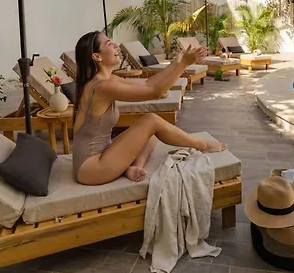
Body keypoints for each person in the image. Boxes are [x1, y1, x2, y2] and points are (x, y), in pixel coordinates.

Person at [71, 31, 227, 186]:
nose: (115, 45)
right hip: (91, 169)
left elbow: (148, 83)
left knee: (150, 137)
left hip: (102, 154)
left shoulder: (107, 79)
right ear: (97, 56)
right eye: (108, 44)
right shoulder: (102, 86)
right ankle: (203, 146)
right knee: (151, 121)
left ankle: (133, 168)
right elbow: (155, 91)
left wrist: (175, 64)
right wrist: (184, 65)